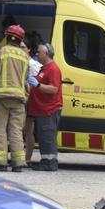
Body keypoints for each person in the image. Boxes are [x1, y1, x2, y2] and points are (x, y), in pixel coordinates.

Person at [0, 24, 31, 172]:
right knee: (16, 131)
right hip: (19, 98)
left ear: (7, 36)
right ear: (20, 40)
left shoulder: (0, 52)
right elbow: (25, 79)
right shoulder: (25, 56)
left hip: (1, 98)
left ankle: (0, 162)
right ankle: (18, 163)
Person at [27, 42, 63, 171]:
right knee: (44, 136)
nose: (37, 54)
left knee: (48, 137)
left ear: (46, 54)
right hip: (43, 110)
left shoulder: (53, 69)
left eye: (39, 52)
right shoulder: (44, 68)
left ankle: (50, 163)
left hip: (49, 109)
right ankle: (46, 161)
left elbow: (53, 89)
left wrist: (38, 85)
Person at [22, 30, 44, 165]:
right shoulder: (17, 61)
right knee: (18, 130)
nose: (20, 49)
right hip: (18, 99)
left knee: (27, 130)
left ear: (29, 49)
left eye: (23, 47)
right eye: (19, 47)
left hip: (29, 101)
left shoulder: (34, 65)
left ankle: (27, 158)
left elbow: (39, 84)